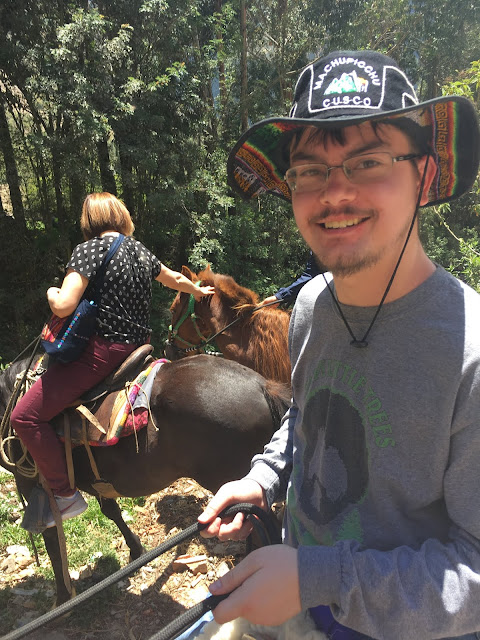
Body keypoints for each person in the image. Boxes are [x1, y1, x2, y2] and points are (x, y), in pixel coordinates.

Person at [197, 50, 480, 640]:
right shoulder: (311, 306)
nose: (334, 193)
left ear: (424, 175)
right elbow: (310, 411)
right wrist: (263, 479)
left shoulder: (470, 353)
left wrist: (315, 579)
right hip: (298, 609)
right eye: (309, 170)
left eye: (368, 161)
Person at [11, 192, 214, 529]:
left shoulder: (88, 250)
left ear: (89, 221)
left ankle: (64, 494)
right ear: (121, 216)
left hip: (101, 352)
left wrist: (51, 293)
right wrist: (198, 291)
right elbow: (174, 280)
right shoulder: (140, 251)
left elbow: (63, 305)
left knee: (25, 416)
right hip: (138, 349)